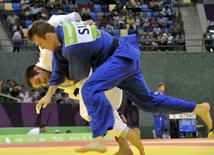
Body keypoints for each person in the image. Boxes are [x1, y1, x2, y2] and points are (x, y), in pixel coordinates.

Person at [27, 20, 212, 153]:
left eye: (40, 43)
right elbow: (58, 70)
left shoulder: (71, 47)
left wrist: (67, 78)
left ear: (49, 36)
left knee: (89, 89)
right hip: (124, 56)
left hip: (119, 59)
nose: (41, 47)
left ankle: (98, 139)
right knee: (147, 102)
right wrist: (48, 95)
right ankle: (198, 108)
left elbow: (80, 76)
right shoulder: (63, 32)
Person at [24, 13, 144, 155]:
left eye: (39, 80)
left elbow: (71, 17)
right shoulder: (58, 83)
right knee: (109, 111)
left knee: (87, 112)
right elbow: (73, 89)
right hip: (110, 66)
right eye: (40, 86)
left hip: (102, 64)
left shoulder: (47, 51)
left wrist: (79, 25)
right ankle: (125, 148)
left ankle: (129, 134)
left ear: (38, 68)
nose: (43, 82)